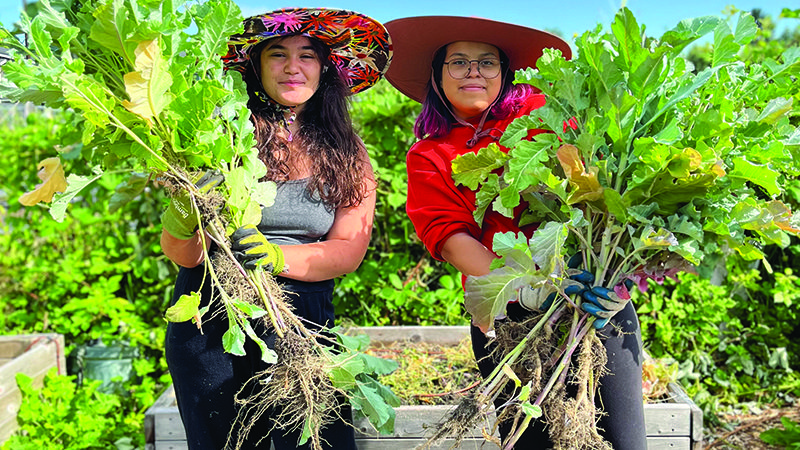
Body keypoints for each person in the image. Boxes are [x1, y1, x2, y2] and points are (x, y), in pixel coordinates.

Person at [383, 15, 647, 449]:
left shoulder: (547, 118)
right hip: (510, 316)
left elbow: (613, 196)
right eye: (459, 62)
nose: (474, 72)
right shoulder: (429, 154)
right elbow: (449, 238)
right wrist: (532, 287)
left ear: (506, 74)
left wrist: (619, 278)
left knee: (622, 441)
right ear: (437, 76)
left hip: (595, 304)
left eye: (487, 62)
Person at [159, 7, 391, 450]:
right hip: (213, 318)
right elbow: (185, 254)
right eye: (277, 54)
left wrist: (279, 257)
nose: (292, 66)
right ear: (255, 67)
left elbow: (347, 248)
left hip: (303, 321)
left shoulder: (347, 150)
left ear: (325, 68)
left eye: (307, 55)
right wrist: (186, 214)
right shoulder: (219, 137)